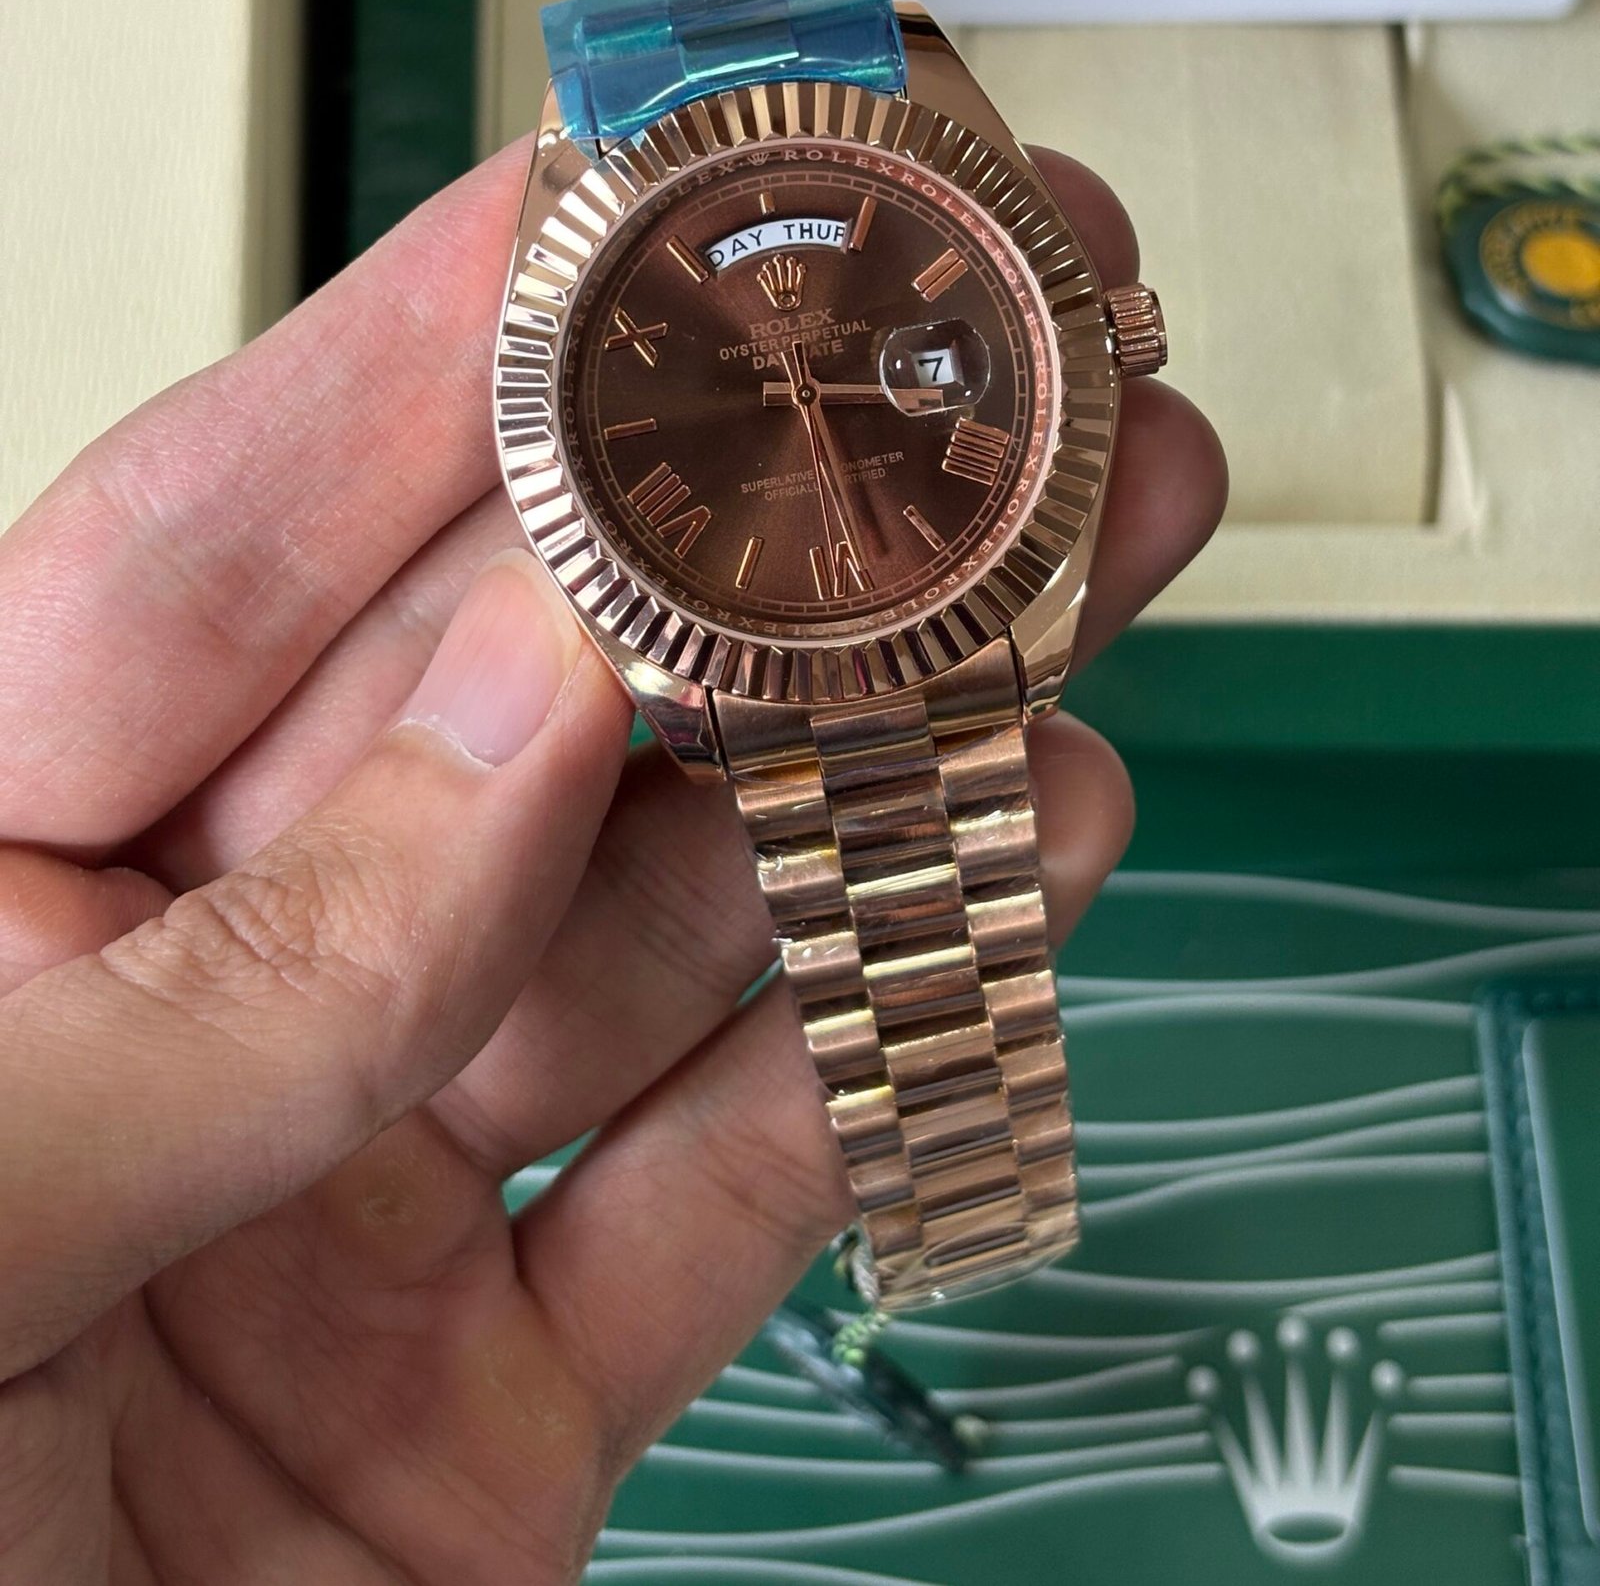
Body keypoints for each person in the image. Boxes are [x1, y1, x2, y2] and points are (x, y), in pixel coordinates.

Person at [0, 138, 1225, 1581]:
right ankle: (967, 1207)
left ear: (1100, 339)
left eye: (818, 380)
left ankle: (968, 1205)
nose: (800, 394)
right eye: (770, 387)